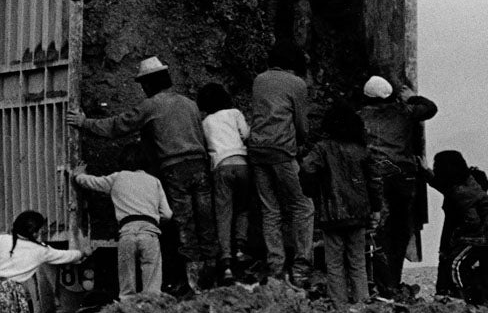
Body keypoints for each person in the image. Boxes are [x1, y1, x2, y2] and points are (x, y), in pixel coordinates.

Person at [67, 56, 217, 291]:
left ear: (149, 83)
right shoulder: (189, 104)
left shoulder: (151, 106)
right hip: (200, 167)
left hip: (174, 169)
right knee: (206, 220)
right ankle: (214, 276)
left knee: (184, 224)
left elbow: (118, 126)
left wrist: (85, 123)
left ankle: (192, 281)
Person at [358, 75, 436, 299]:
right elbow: (430, 108)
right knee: (400, 232)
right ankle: (394, 279)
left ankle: (382, 284)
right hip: (404, 179)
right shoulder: (404, 112)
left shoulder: (360, 117)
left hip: (378, 178)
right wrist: (412, 97)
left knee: (379, 232)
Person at [300, 104, 382, 305]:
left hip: (331, 212)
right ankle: (362, 302)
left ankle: (339, 304)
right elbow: (374, 181)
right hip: (358, 212)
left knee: (334, 263)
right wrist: (376, 208)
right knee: (357, 262)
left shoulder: (322, 148)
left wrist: (312, 190)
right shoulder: (362, 150)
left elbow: (307, 167)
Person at [247, 43, 314, 286]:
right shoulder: (297, 84)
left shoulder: (259, 80)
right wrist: (302, 143)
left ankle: (275, 268)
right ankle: (301, 268)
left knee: (270, 209)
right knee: (302, 206)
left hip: (256, 150)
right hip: (282, 151)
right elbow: (300, 123)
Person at [72, 146, 173, 298]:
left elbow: (92, 182)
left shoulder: (117, 177)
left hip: (127, 233)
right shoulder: (154, 181)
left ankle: (127, 312)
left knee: (127, 285)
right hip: (149, 233)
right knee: (152, 285)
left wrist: (79, 175)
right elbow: (168, 214)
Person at [0, 210, 84, 313]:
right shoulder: (41, 250)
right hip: (11, 294)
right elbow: (66, 255)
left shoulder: (2, 239)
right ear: (35, 233)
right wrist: (82, 253)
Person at [427, 149, 488, 307]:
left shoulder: (460, 193)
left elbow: (472, 221)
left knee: (455, 264)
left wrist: (458, 239)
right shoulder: (465, 182)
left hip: (482, 235)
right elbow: (442, 185)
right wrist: (426, 173)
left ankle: (467, 300)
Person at [198, 82, 252, 282]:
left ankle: (226, 263)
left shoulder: (205, 122)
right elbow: (246, 135)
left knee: (223, 214)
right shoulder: (235, 113)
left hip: (220, 167)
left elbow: (204, 147)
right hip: (242, 164)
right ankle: (240, 248)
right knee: (243, 208)